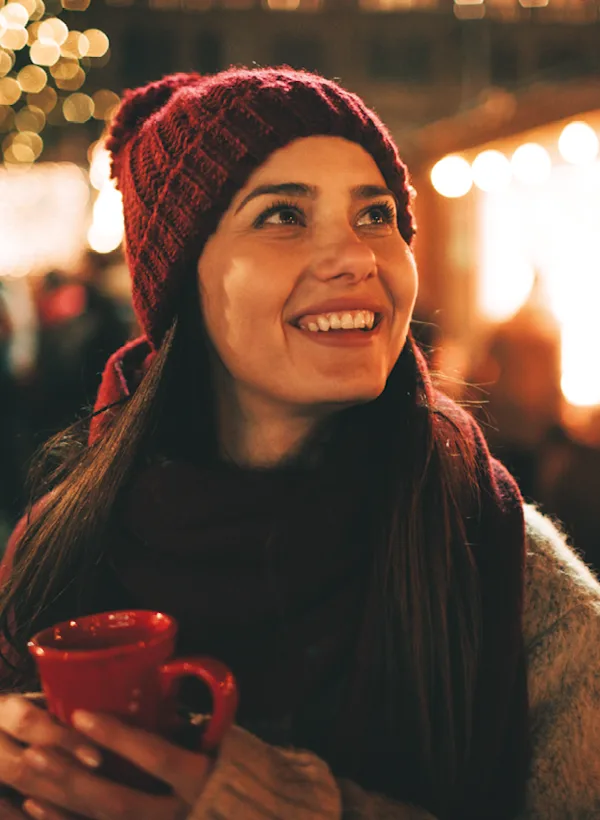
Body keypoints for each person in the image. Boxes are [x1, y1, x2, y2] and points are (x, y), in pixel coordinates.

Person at [0, 68, 598, 820]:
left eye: (377, 215)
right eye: (283, 215)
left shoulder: (504, 563)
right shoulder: (58, 550)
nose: (357, 257)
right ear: (182, 276)